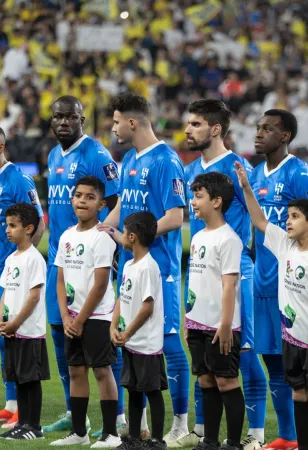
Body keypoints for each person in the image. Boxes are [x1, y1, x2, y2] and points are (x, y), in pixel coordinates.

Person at [101, 93, 189, 443]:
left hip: (159, 268)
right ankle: (138, 428)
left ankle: (181, 423)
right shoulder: (129, 160)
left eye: (116, 121)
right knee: (132, 345)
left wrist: (133, 235)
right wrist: (101, 235)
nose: (113, 127)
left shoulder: (166, 160)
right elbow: (124, 205)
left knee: (167, 346)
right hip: (128, 269)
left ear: (132, 123)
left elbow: (175, 216)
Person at [178, 99, 266, 449]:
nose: (188, 130)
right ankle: (206, 431)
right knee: (205, 364)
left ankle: (255, 434)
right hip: (202, 269)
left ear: (215, 129)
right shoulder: (189, 171)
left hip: (235, 270)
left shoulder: (239, 167)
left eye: (196, 124)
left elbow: (259, 220)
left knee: (243, 352)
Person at [236, 160, 308, 450]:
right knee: (299, 393)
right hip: (291, 338)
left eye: (295, 217)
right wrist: (247, 189)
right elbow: (260, 221)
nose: (287, 221)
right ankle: (301, 445)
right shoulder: (284, 245)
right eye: (287, 216)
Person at [43, 96, 121, 436]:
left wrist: (105, 238)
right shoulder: (51, 155)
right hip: (61, 256)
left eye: (70, 117)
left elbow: (117, 201)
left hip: (90, 256)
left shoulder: (96, 154)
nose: (63, 122)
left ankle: (115, 421)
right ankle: (77, 417)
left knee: (101, 350)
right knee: (62, 334)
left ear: (82, 120)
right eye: (57, 117)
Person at [0, 124, 45, 427]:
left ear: (0, 147)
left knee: (13, 340)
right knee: (1, 341)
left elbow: (37, 222)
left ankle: (22, 410)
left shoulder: (18, 179)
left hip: (10, 275)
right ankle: (11, 405)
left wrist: (23, 261)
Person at [51, 177, 120, 448]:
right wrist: (67, 317)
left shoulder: (102, 237)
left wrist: (79, 319)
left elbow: (102, 283)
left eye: (90, 197)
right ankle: (79, 433)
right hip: (73, 318)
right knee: (76, 372)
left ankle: (111, 434)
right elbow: (60, 279)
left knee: (102, 372)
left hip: (97, 317)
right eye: (78, 195)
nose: (82, 200)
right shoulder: (67, 235)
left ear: (102, 204)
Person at [185, 172, 246, 450]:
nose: (193, 202)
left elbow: (229, 285)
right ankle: (209, 440)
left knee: (226, 381)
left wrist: (225, 324)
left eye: (199, 196)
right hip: (197, 324)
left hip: (221, 326)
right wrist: (189, 321)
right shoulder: (197, 237)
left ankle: (232, 442)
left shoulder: (229, 239)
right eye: (193, 196)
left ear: (217, 201)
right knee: (206, 380)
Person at [111, 211, 168, 450]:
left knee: (152, 392)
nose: (121, 237)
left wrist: (128, 332)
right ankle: (133, 439)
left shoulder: (148, 267)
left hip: (146, 343)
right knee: (133, 390)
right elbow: (122, 299)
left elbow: (147, 306)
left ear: (132, 236)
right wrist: (114, 326)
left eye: (124, 233)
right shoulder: (129, 265)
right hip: (131, 342)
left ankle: (156, 440)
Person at [0, 203, 50, 440]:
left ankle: (34, 427)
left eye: (13, 226)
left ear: (28, 228)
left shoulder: (34, 258)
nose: (8, 230)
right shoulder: (11, 259)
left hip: (29, 331)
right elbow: (6, 292)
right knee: (18, 378)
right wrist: (2, 320)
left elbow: (34, 296)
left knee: (30, 379)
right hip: (12, 330)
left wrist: (16, 322)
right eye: (7, 225)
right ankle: (23, 423)